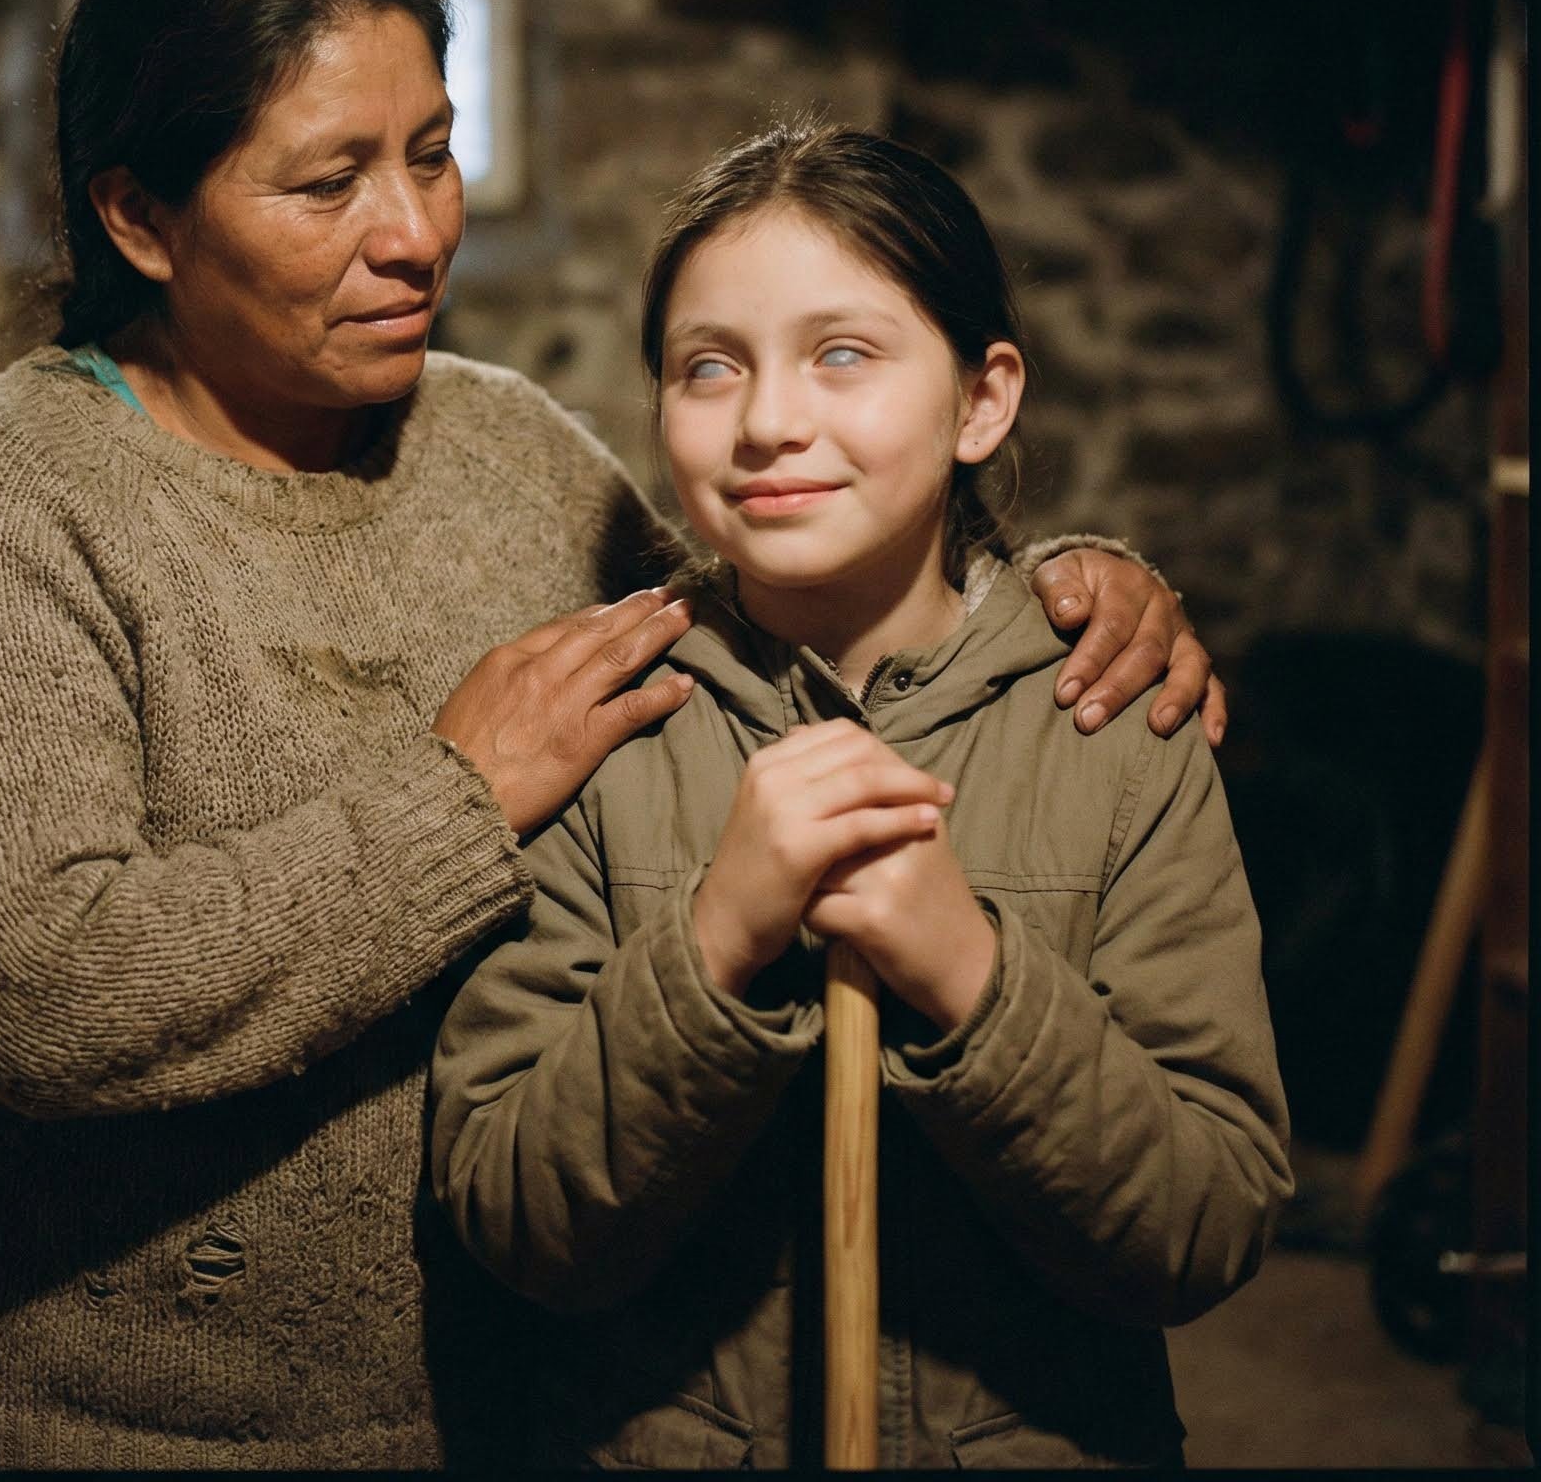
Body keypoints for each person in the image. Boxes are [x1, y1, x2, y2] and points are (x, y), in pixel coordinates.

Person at [0, 0, 1227, 1470]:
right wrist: (463, 804)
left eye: (431, 151)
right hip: (121, 1425)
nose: (416, 232)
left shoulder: (507, 447)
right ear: (141, 219)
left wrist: (1059, 577)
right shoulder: (0, 499)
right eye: (327, 182)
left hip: (504, 1400)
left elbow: (777, 607)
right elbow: (45, 991)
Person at [428, 121, 1291, 1469]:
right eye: (710, 365)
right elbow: (525, 1221)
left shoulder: (1120, 727)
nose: (771, 419)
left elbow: (1205, 1229)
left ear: (982, 400)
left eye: (844, 354)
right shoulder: (609, 730)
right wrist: (714, 946)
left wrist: (974, 977)